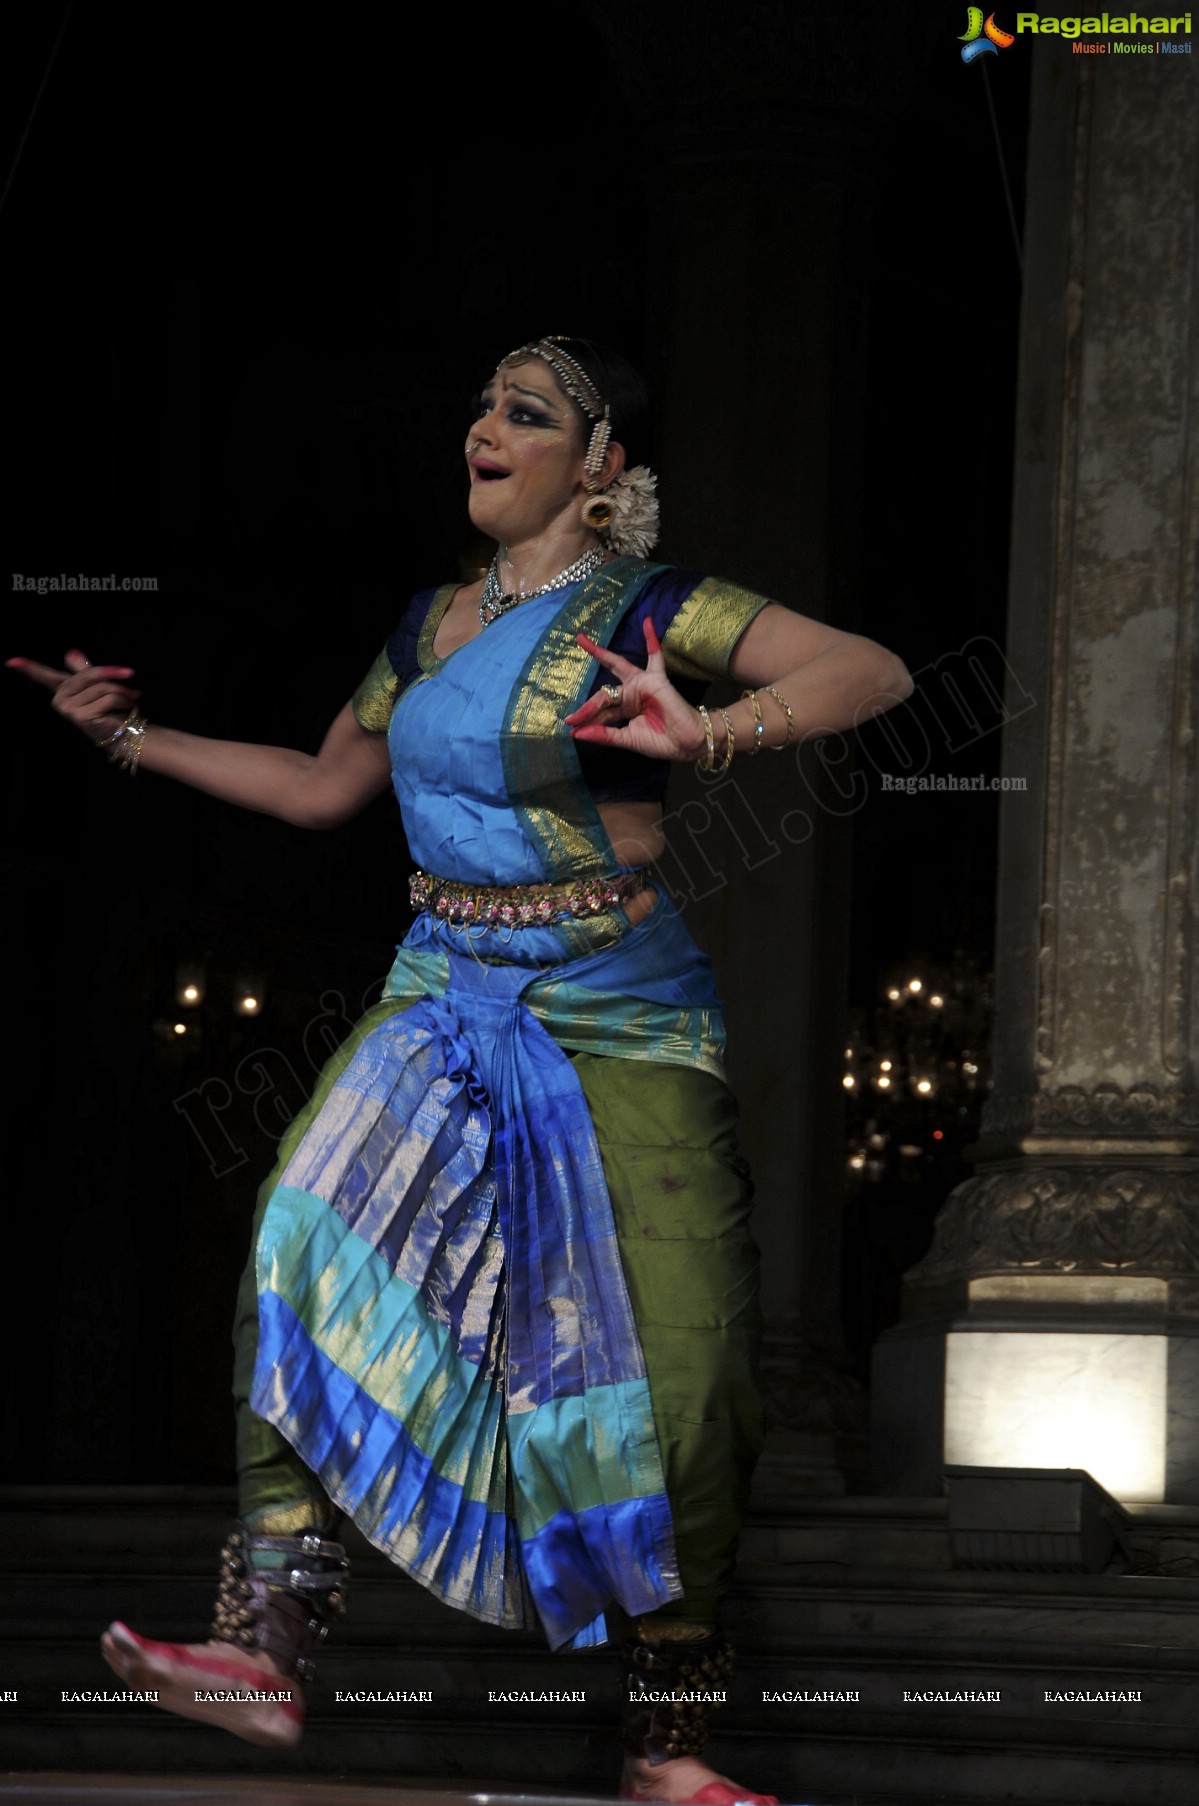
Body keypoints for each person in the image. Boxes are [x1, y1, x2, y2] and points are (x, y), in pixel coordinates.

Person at [8, 334, 912, 1804]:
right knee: (302, 1236)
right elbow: (319, 787)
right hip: (438, 988)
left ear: (601, 466)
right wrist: (132, 739)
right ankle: (272, 1650)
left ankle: (669, 1748)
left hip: (615, 1003)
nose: (484, 428)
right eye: (483, 407)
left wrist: (717, 726)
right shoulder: (428, 626)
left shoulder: (653, 607)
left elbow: (866, 669)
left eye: (527, 412)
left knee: (683, 1375)